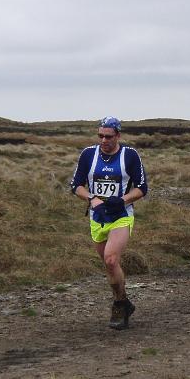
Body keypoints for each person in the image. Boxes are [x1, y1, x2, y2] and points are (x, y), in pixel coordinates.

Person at [70, 117, 148, 330]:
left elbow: (142, 188)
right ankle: (123, 301)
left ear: (118, 136)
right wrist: (92, 199)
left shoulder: (129, 156)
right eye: (100, 136)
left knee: (112, 259)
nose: (104, 140)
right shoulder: (88, 154)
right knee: (109, 266)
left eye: (108, 136)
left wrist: (121, 200)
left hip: (121, 215)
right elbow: (76, 185)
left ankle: (117, 306)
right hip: (98, 217)